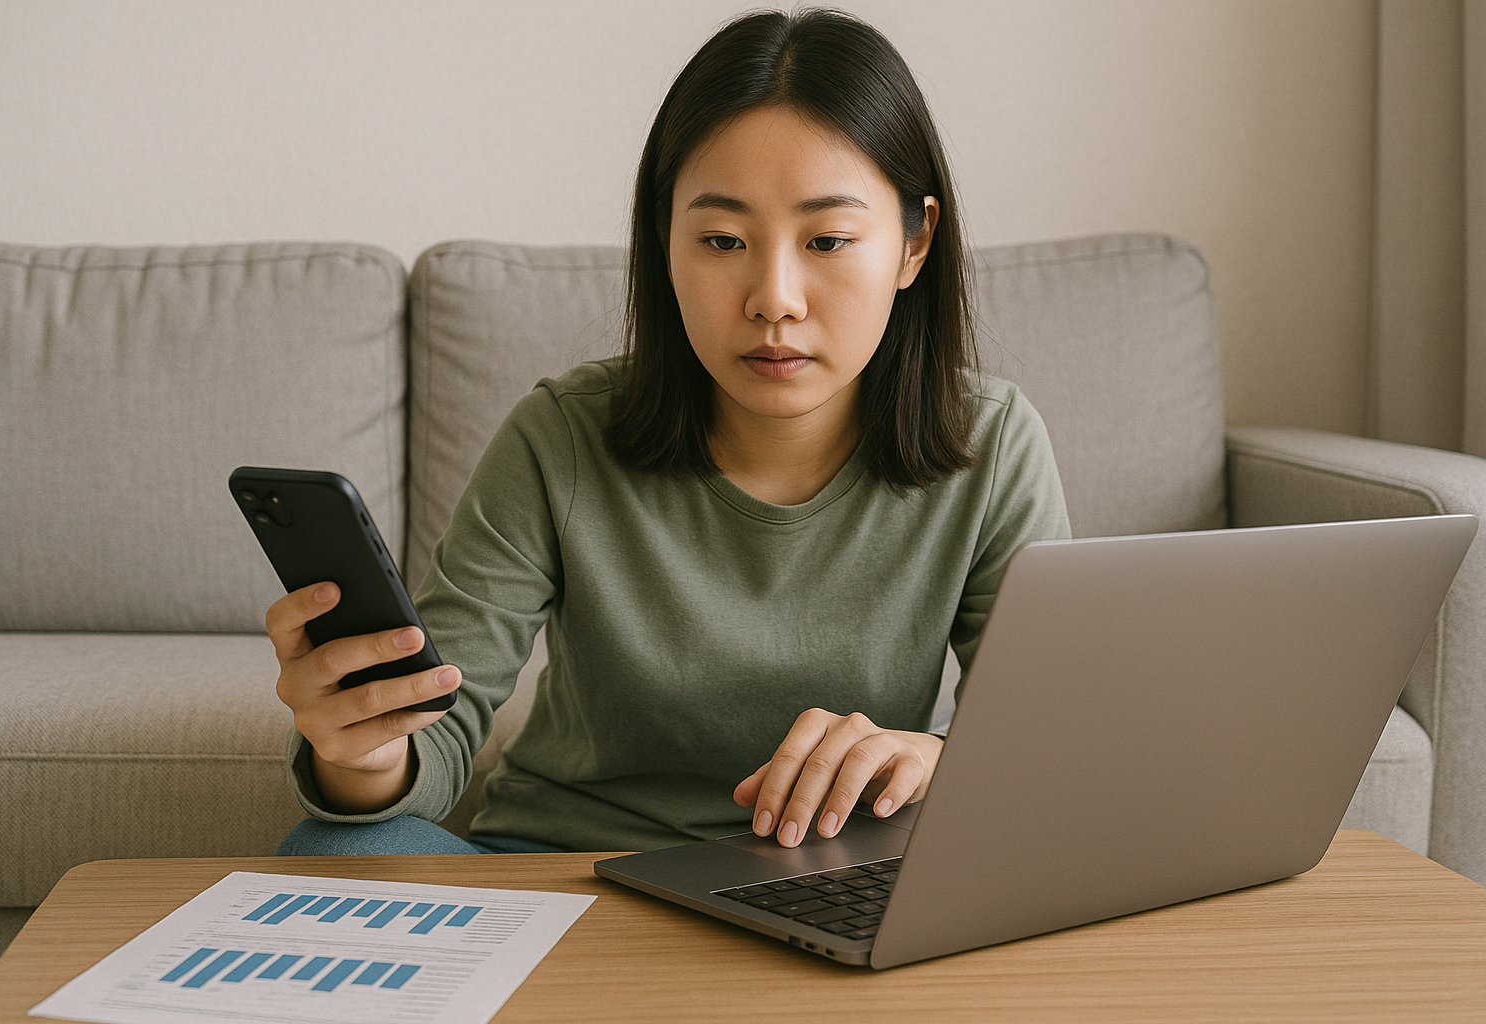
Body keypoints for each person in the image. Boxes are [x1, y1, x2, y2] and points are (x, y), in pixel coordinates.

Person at [271, 7, 1069, 857]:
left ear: (914, 243)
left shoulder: (993, 446)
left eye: (829, 239)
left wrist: (942, 757)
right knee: (334, 852)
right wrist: (364, 753)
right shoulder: (559, 436)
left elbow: (1048, 746)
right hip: (569, 873)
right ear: (665, 239)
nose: (774, 298)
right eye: (722, 240)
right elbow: (437, 736)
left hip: (831, 879)